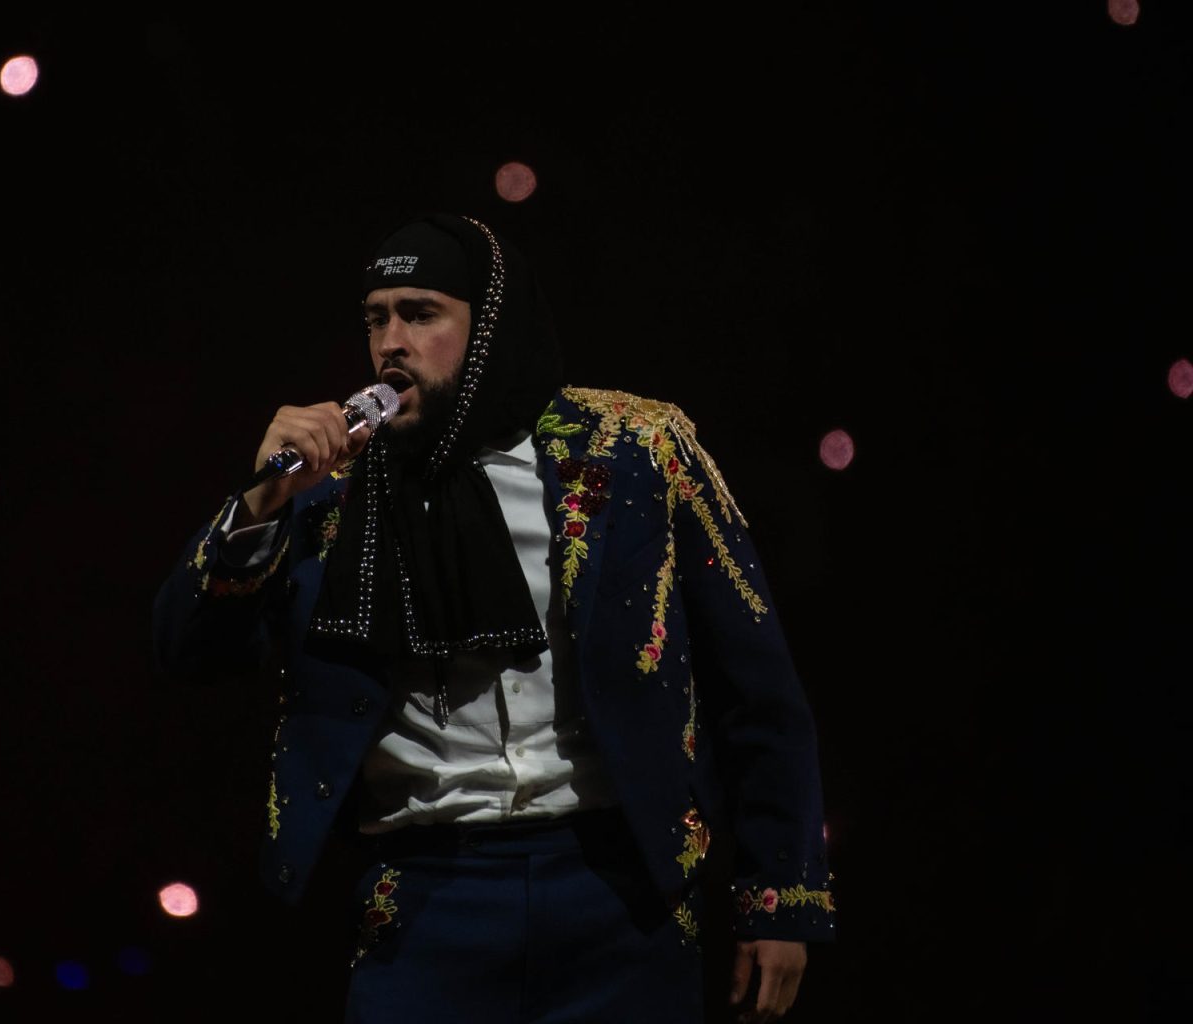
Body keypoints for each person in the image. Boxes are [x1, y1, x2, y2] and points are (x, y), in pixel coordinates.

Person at [153, 213, 834, 1023]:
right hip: (423, 903)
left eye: (421, 312)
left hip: (617, 893)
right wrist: (262, 497)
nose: (391, 342)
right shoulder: (329, 486)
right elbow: (184, 651)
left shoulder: (636, 450)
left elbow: (754, 685)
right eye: (376, 319)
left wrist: (779, 896)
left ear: (489, 325)